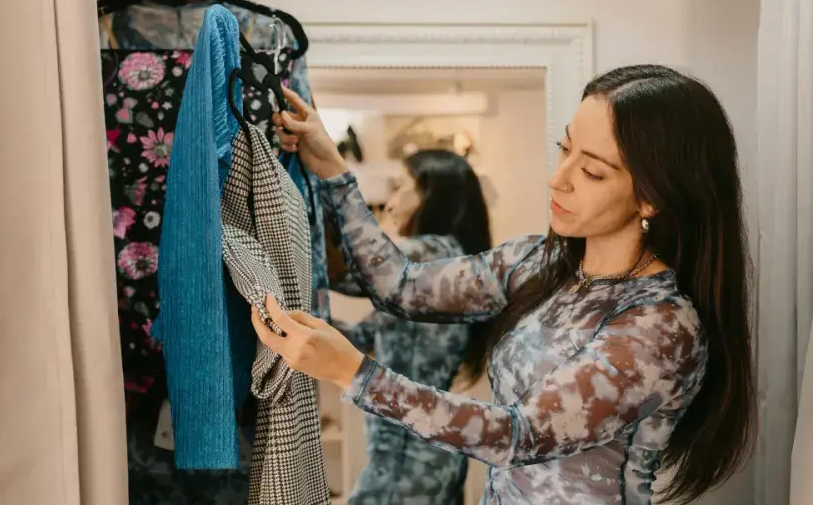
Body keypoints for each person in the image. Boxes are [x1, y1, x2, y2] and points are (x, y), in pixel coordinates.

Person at [258, 64, 756, 504]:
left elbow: (517, 436)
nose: (558, 179)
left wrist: (353, 372)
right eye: (564, 150)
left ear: (652, 198)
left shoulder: (661, 327)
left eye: (591, 171)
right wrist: (333, 170)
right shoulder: (540, 262)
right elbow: (401, 285)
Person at [330, 149, 492, 505]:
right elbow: (362, 337)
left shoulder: (430, 254)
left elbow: (347, 272)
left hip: (408, 453)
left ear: (431, 196)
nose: (390, 202)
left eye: (401, 186)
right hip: (432, 449)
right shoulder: (438, 270)